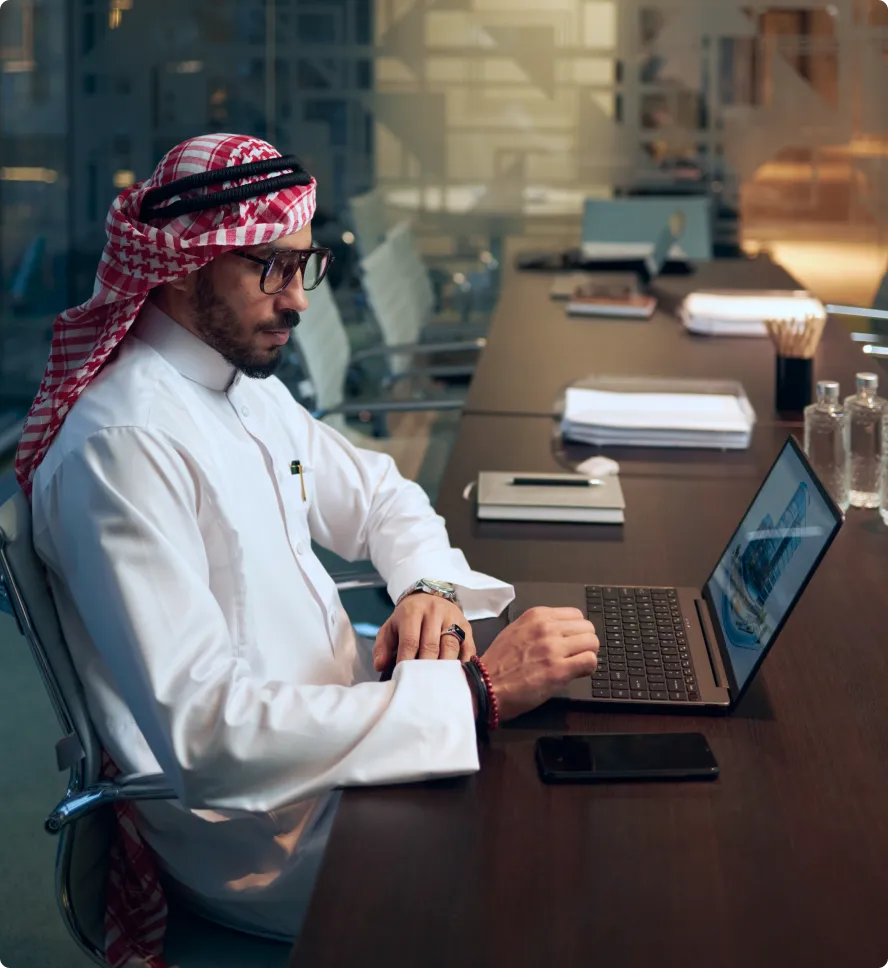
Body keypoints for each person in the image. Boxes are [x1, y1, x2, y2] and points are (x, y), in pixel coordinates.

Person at [16, 134, 599, 954]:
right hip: (267, 831)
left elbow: (381, 495)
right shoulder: (123, 446)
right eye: (272, 268)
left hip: (348, 738)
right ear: (182, 265)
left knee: (579, 794)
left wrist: (428, 588)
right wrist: (474, 694)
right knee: (561, 873)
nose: (298, 300)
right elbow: (209, 739)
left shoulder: (236, 382)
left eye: (305, 266)